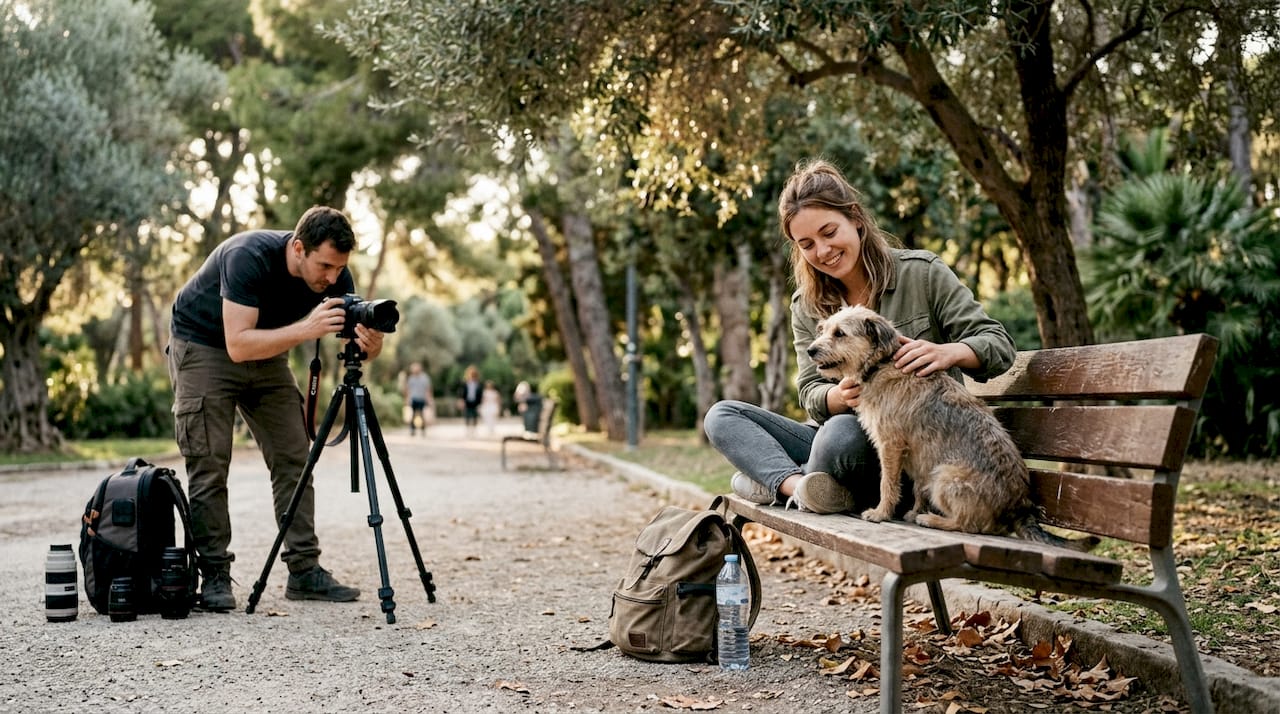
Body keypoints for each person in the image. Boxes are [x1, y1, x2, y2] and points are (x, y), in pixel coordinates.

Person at [704, 159, 1016, 515]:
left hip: (902, 450)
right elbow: (809, 391)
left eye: (829, 232)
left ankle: (774, 481)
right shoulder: (805, 305)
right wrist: (836, 396)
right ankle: (798, 486)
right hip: (836, 436)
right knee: (722, 416)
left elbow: (997, 343)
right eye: (806, 244)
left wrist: (951, 352)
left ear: (854, 217)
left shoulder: (922, 274)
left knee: (840, 437)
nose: (822, 251)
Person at [166, 205, 383, 611]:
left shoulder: (336, 273)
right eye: (325, 266)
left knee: (294, 457)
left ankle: (304, 571)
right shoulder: (247, 256)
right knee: (210, 461)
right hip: (205, 346)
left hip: (265, 354)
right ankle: (213, 573)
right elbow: (238, 343)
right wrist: (308, 328)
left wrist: (371, 346)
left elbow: (355, 339)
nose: (332, 278)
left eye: (339, 269)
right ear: (298, 248)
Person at [403, 361, 433, 436]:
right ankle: (412, 429)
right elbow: (408, 389)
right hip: (413, 399)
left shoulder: (425, 378)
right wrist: (407, 399)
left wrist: (429, 399)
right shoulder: (411, 378)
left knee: (422, 414)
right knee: (413, 415)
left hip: (422, 399)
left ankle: (423, 429)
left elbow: (428, 389)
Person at [456, 365, 482, 437]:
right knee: (467, 415)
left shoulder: (478, 384)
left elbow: (480, 394)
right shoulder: (465, 383)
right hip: (467, 401)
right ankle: (467, 430)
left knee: (475, 416)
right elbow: (461, 393)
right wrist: (461, 401)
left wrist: (479, 404)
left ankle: (474, 430)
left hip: (475, 402)